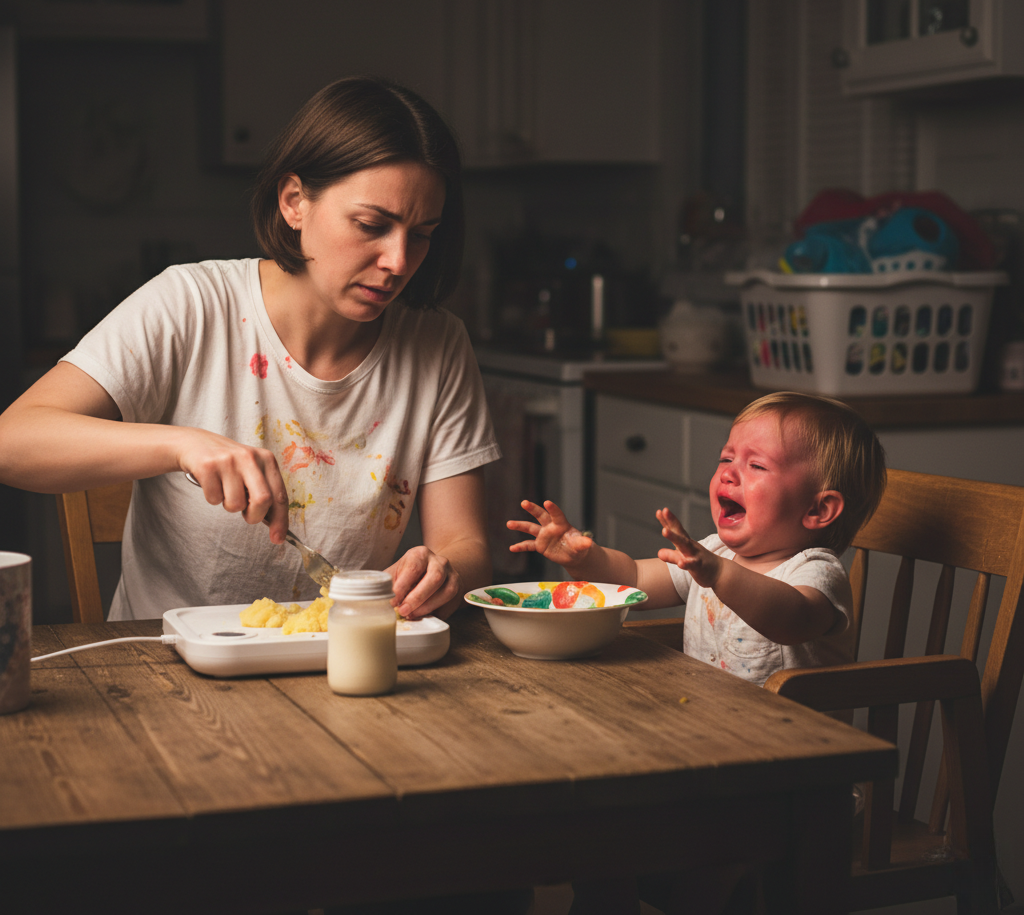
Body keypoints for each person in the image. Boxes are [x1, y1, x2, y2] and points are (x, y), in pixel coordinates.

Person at [0, 75, 501, 623]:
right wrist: (181, 446)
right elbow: (13, 441)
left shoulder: (439, 344)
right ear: (294, 203)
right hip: (167, 675)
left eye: (423, 232)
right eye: (371, 225)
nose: (399, 261)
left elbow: (466, 546)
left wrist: (444, 570)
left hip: (342, 663)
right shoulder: (191, 304)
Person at [506, 390, 887, 915]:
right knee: (599, 829)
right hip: (708, 768)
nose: (729, 473)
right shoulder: (718, 553)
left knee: (709, 861)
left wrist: (715, 572)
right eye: (726, 458)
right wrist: (586, 556)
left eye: (756, 465)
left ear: (820, 509)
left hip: (793, 788)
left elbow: (788, 618)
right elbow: (637, 579)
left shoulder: (815, 572)